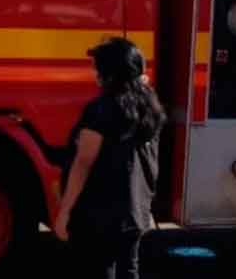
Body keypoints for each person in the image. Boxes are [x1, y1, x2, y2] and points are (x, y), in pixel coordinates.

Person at [55, 37, 168, 279]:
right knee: (129, 268)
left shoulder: (101, 109)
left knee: (99, 269)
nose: (95, 73)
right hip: (135, 210)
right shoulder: (151, 107)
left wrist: (64, 211)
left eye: (98, 67)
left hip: (100, 213)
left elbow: (83, 163)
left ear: (109, 74)